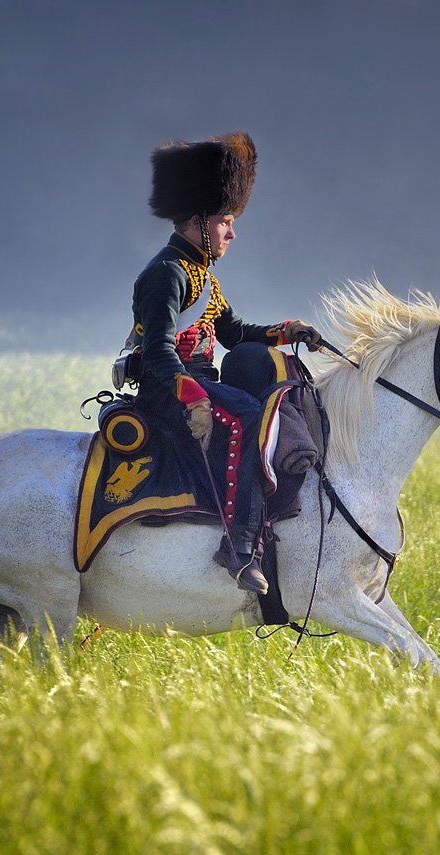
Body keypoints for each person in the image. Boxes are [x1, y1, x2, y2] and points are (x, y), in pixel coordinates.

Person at [130, 131, 322, 593]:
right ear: (197, 221)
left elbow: (233, 334)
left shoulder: (203, 277)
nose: (232, 232)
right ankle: (238, 548)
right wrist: (192, 396)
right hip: (169, 391)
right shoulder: (167, 274)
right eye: (226, 222)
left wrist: (285, 331)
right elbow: (158, 349)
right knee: (248, 415)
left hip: (198, 384)